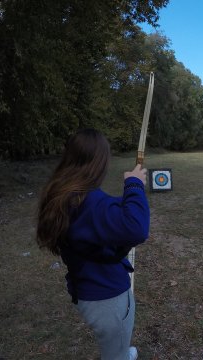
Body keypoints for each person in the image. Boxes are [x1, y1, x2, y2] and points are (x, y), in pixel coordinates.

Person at [36, 129, 149, 360]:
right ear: (98, 163)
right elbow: (136, 227)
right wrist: (135, 185)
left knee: (115, 345)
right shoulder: (89, 202)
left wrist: (127, 199)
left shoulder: (64, 194)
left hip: (88, 291)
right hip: (107, 298)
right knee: (114, 353)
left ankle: (120, 351)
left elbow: (102, 215)